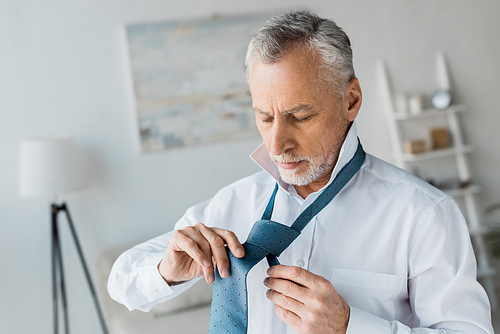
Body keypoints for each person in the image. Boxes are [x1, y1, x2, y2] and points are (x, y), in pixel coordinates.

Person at [108, 11, 494, 334]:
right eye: (265, 117)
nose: (277, 144)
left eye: (300, 115)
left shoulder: (423, 215)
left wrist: (351, 326)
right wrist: (166, 270)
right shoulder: (233, 204)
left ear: (351, 100)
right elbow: (122, 282)